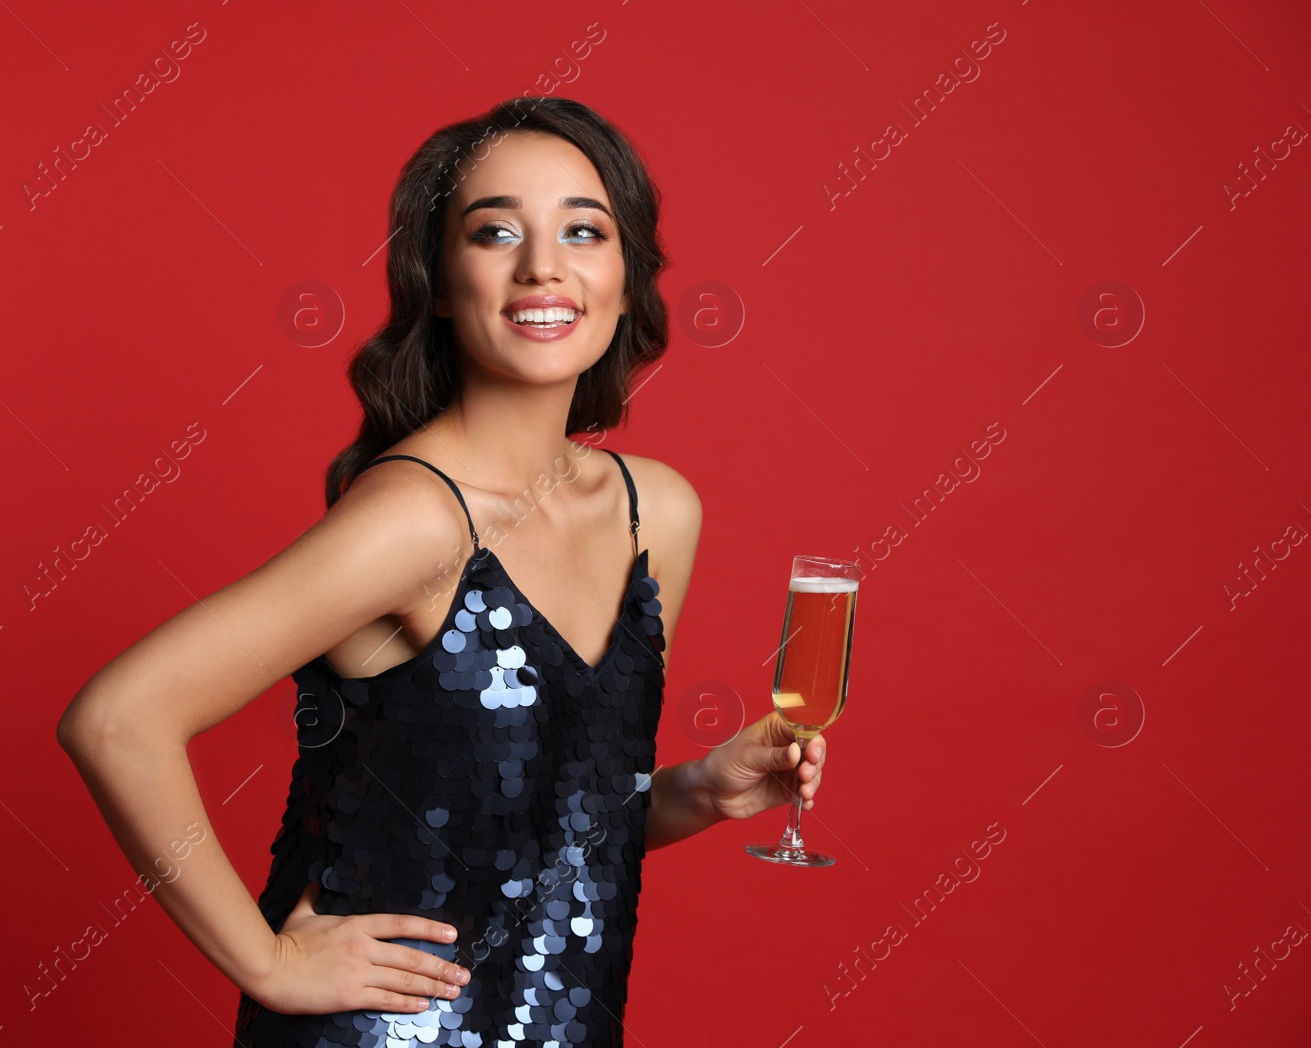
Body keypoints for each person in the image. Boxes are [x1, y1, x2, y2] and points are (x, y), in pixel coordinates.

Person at [56, 96, 826, 1047]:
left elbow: (556, 820)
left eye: (584, 231)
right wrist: (270, 962)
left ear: (627, 282)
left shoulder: (654, 512)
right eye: (496, 231)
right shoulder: (416, 519)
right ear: (443, 285)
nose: (543, 264)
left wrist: (698, 791)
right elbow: (117, 720)